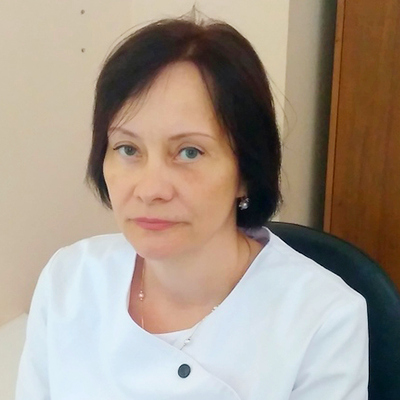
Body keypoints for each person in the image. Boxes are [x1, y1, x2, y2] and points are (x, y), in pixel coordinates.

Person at [16, 15, 368, 400]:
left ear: (246, 171)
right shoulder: (70, 281)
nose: (150, 190)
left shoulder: (323, 320)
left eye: (189, 152)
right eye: (128, 149)